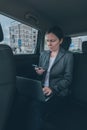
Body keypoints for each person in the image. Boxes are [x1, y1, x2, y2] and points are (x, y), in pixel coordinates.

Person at [30, 26, 73, 130]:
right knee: (27, 103)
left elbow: (68, 79)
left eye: (53, 41)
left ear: (60, 40)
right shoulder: (43, 54)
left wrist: (53, 89)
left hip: (58, 91)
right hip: (43, 89)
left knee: (36, 107)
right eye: (47, 41)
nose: (49, 44)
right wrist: (40, 73)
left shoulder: (68, 56)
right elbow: (41, 74)